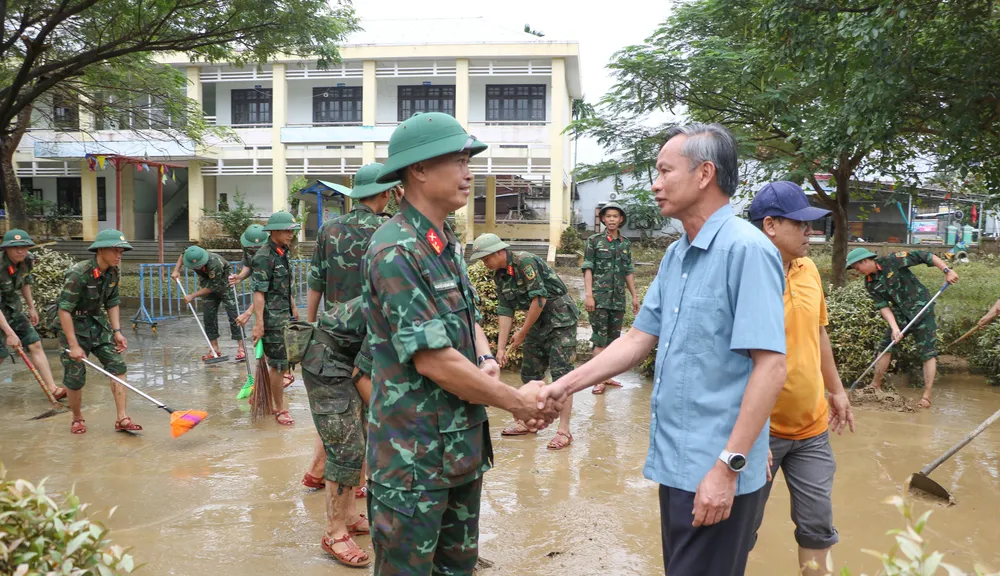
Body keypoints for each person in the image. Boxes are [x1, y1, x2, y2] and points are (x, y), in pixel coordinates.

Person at [537, 123, 787, 575]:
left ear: (704, 174)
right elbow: (637, 339)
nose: (655, 184)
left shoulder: (747, 250)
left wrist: (729, 467)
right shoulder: (677, 255)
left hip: (717, 469)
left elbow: (770, 367)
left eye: (665, 171)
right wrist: (564, 386)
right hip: (676, 465)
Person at [362, 112, 558, 575]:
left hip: (459, 447)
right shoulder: (396, 250)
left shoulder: (442, 240)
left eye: (468, 161)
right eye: (458, 161)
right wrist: (517, 402)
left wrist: (485, 357)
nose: (469, 173)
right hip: (413, 459)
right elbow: (434, 361)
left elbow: (465, 317)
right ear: (419, 170)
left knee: (458, 568)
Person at [747, 181, 855, 575]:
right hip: (760, 433)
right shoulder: (744, 276)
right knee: (740, 528)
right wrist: (752, 433)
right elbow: (729, 361)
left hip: (812, 428)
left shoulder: (808, 269)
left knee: (817, 526)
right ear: (770, 225)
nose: (811, 231)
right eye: (801, 224)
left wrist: (837, 391)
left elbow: (818, 333)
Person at [301, 162, 402, 493]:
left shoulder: (329, 229)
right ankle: (358, 480)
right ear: (386, 193)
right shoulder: (391, 229)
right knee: (369, 406)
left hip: (332, 334)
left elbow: (315, 282)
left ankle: (319, 469)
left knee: (338, 407)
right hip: (373, 331)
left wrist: (311, 326)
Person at [470, 232, 579, 450]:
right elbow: (505, 309)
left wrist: (521, 333)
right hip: (536, 322)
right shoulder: (500, 276)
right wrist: (501, 348)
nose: (485, 263)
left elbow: (539, 299)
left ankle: (564, 431)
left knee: (562, 375)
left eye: (486, 258)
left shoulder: (525, 262)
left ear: (500, 252)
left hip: (560, 320)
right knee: (530, 373)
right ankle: (527, 421)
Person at [846, 246, 958, 408]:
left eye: (857, 267)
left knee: (927, 352)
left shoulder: (894, 260)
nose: (858, 271)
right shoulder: (870, 283)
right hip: (900, 314)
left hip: (922, 309)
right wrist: (894, 328)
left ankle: (926, 397)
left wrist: (947, 270)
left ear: (865, 261)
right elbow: (883, 306)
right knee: (885, 346)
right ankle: (875, 386)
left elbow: (925, 256)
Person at [57, 229, 139, 435]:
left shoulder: (113, 272)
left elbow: (112, 302)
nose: (119, 255)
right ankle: (77, 418)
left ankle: (122, 418)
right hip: (74, 325)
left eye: (121, 251)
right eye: (115, 250)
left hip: (97, 323)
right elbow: (64, 310)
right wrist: (73, 345)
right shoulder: (79, 273)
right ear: (100, 250)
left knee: (117, 365)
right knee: (75, 376)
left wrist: (117, 331)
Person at [0, 229, 66, 400]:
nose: (20, 251)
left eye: (23, 247)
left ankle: (52, 389)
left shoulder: (27, 260)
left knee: (35, 342)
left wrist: (31, 307)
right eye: (15, 247)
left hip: (12, 309)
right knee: (0, 353)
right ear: (6, 249)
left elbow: (25, 282)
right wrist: (10, 333)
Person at [581, 202, 638, 394]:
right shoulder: (594, 241)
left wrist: (634, 296)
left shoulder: (625, 243)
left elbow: (628, 271)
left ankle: (606, 376)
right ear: (603, 219)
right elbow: (588, 268)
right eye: (608, 216)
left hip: (618, 300)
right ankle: (597, 379)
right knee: (600, 339)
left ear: (621, 219)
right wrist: (589, 295)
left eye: (615, 216)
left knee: (613, 341)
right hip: (599, 299)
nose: (612, 219)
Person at [250, 211, 300, 426]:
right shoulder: (264, 257)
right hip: (272, 321)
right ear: (274, 231)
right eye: (287, 231)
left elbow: (285, 287)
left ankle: (264, 398)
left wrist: (293, 307)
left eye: (292, 231)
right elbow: (259, 292)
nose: (291, 235)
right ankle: (279, 408)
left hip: (285, 317)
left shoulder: (282, 252)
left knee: (283, 363)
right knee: (279, 366)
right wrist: (259, 324)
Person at [171, 246, 245, 361]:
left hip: (225, 286)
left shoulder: (215, 263)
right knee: (209, 317)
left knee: (234, 316)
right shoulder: (190, 254)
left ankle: (241, 348)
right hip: (207, 285)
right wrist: (176, 270)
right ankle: (214, 349)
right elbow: (183, 254)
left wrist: (192, 295)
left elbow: (212, 287)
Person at [231, 223, 267, 324]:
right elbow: (248, 264)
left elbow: (268, 290)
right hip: (259, 299)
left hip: (277, 303)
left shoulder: (272, 256)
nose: (254, 252)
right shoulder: (248, 249)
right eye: (251, 249)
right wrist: (240, 277)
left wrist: (248, 312)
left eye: (258, 249)